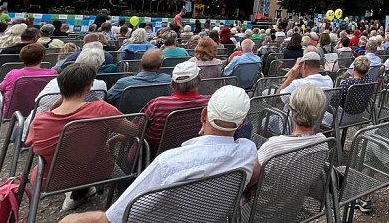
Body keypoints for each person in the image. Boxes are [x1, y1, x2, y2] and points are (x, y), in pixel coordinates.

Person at [61, 85, 260, 223]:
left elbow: (113, 218)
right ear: (242, 124)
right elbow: (252, 177)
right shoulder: (248, 151)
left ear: (204, 115)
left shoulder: (168, 163)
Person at [26, 63, 124, 212]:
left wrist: (54, 107)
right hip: (99, 170)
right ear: (88, 87)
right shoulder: (101, 109)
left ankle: (79, 191)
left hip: (52, 180)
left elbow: (33, 146)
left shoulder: (40, 121)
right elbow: (134, 130)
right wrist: (115, 139)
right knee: (84, 156)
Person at [141, 61, 210, 152]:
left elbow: (136, 128)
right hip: (194, 153)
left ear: (173, 83)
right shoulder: (210, 102)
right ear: (199, 80)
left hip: (155, 156)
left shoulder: (158, 104)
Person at [0, 43, 57, 111]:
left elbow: (1, 88)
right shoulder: (52, 74)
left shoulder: (13, 74)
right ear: (42, 58)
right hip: (40, 111)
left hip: (14, 112)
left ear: (21, 57)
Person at [106, 49, 171, 104]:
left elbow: (107, 98)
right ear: (160, 66)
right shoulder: (167, 80)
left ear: (140, 63)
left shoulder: (123, 83)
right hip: (156, 116)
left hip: (127, 117)